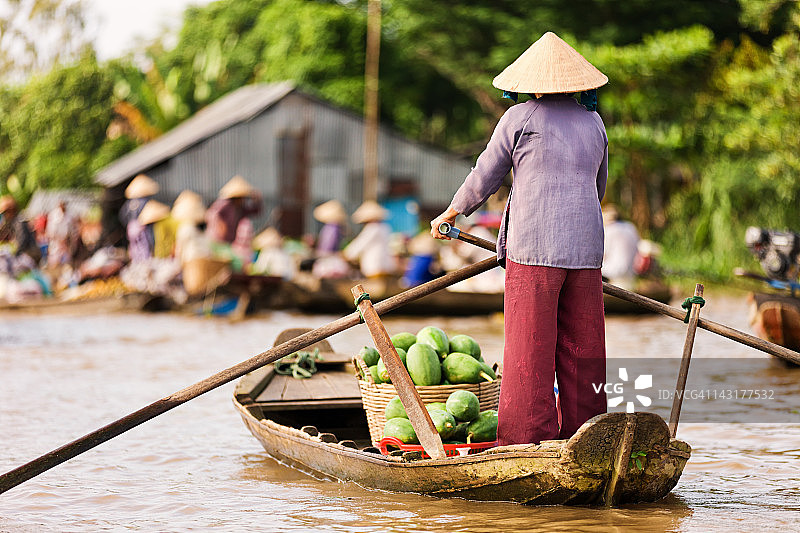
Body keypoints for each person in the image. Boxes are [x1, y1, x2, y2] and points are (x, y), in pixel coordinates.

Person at [431, 31, 609, 445]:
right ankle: (588, 438)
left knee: (530, 351)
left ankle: (526, 440)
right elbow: (598, 188)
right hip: (586, 250)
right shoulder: (595, 122)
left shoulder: (520, 118)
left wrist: (452, 213)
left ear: (531, 84)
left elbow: (486, 174)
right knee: (584, 351)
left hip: (533, 251)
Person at [343, 200, 397, 278]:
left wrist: (347, 255)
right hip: (386, 265)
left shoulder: (372, 228)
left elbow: (360, 244)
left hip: (374, 265)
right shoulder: (385, 227)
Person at [205, 175, 262, 244]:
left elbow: (256, 211)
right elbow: (212, 214)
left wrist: (257, 200)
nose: (243, 200)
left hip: (230, 241)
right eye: (241, 198)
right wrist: (221, 227)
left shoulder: (240, 208)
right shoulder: (225, 204)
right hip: (218, 240)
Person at [120, 174, 159, 262]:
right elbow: (150, 216)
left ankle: (136, 262)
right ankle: (146, 262)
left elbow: (122, 216)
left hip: (131, 229)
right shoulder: (145, 202)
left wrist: (130, 225)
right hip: (142, 227)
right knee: (145, 247)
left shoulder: (129, 203)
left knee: (135, 247)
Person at [601, 204, 640, 289]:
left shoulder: (608, 230)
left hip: (611, 275)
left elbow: (602, 255)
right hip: (631, 274)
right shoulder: (631, 227)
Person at [0, 195, 41, 264]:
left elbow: (22, 242)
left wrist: (13, 255)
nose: (4, 216)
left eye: (4, 213)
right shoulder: (12, 222)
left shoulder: (19, 222)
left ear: (10, 211)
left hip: (30, 254)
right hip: (25, 253)